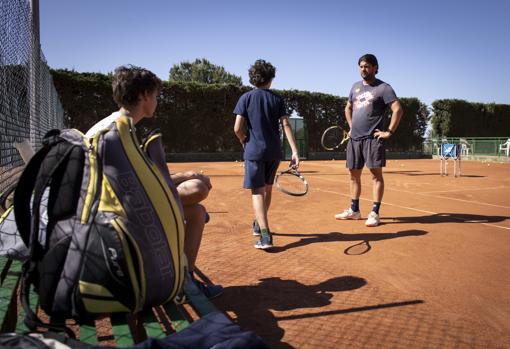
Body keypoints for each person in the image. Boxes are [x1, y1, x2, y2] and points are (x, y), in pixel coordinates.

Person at [86, 65, 222, 298]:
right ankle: (181, 281)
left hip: (115, 208)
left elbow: (139, 179)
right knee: (198, 192)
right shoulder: (116, 132)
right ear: (143, 96)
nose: (157, 101)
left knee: (197, 210)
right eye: (156, 95)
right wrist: (190, 178)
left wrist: (187, 176)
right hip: (111, 217)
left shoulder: (117, 125)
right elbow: (138, 187)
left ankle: (184, 282)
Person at [233, 59, 300, 250]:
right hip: (274, 151)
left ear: (253, 78)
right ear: (271, 79)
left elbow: (237, 128)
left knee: (257, 192)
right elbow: (286, 125)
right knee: (267, 189)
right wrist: (294, 151)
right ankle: (259, 224)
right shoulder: (277, 99)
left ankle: (265, 235)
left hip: (254, 151)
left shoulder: (245, 98)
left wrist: (244, 140)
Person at [335, 54, 403, 227]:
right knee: (353, 175)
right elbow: (348, 108)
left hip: (372, 140)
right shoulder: (355, 87)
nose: (363, 69)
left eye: (367, 66)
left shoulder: (384, 88)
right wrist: (351, 127)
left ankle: (374, 212)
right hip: (355, 139)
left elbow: (398, 109)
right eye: (361, 66)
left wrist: (389, 131)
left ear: (375, 68)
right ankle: (354, 210)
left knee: (376, 175)